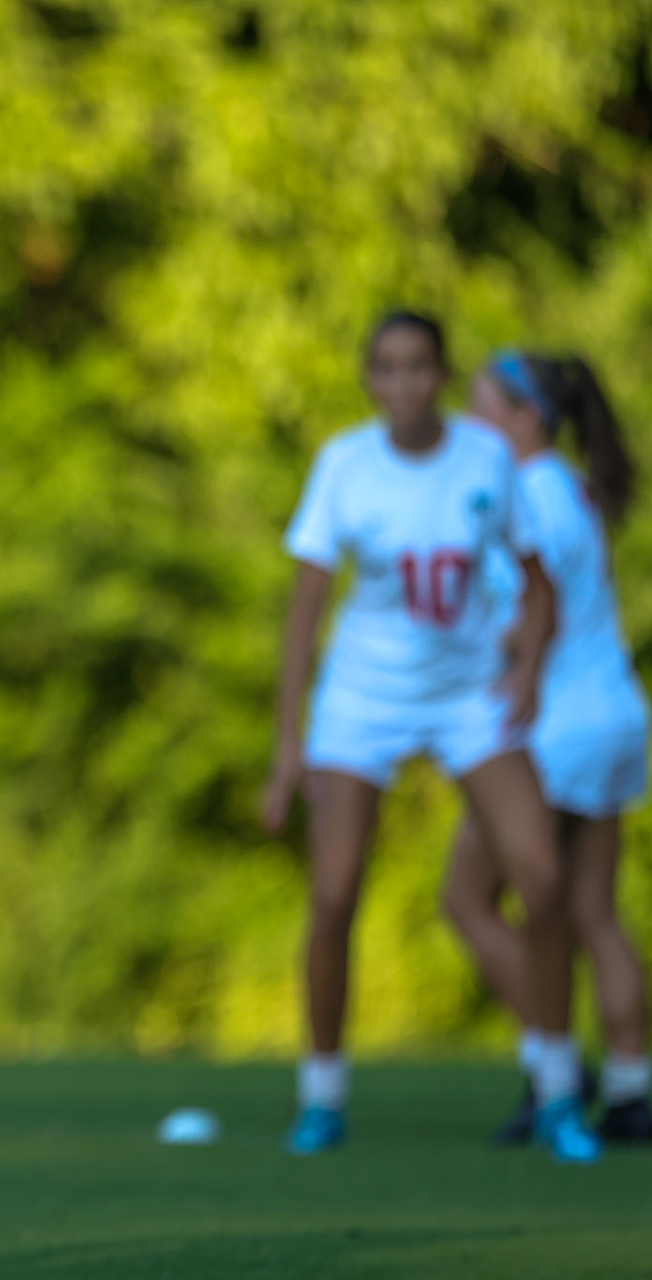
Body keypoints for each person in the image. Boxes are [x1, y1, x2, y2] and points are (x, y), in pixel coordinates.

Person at [261, 311, 600, 1162]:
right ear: (370, 380)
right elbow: (304, 613)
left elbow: (537, 582)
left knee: (544, 876)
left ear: (442, 376)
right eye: (386, 368)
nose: (404, 384)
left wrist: (524, 674)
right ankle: (322, 1095)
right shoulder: (344, 464)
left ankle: (559, 1091)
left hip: (467, 698)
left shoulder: (485, 460)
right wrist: (288, 743)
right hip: (363, 700)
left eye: (419, 367)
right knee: (335, 892)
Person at [440, 350, 651, 1144]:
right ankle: (631, 1090)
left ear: (525, 418)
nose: (466, 417)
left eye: (481, 403)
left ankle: (555, 1058)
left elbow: (531, 614)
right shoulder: (570, 488)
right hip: (616, 715)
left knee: (468, 898)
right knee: (594, 910)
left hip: (555, 726)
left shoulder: (528, 496)